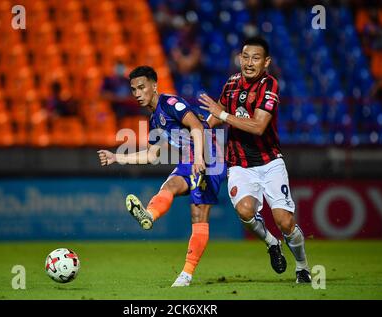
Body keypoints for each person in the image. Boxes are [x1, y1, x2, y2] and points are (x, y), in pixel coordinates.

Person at [98, 66, 226, 287]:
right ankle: (149, 215)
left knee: (198, 214)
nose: (137, 93)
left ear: (154, 86)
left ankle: (186, 274)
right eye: (133, 90)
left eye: (141, 87)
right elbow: (150, 155)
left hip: (210, 157)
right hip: (188, 159)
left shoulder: (170, 104)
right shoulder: (155, 120)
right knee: (168, 186)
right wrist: (116, 157)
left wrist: (199, 159)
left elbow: (196, 125)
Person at [198, 37, 311, 283]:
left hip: (270, 163)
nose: (249, 63)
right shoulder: (231, 84)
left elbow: (259, 126)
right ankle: (272, 244)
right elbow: (217, 114)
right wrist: (199, 128)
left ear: (266, 62)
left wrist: (222, 114)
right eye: (245, 57)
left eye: (256, 58)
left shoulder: (270, 85)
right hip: (239, 164)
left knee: (285, 221)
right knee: (245, 211)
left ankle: (302, 266)